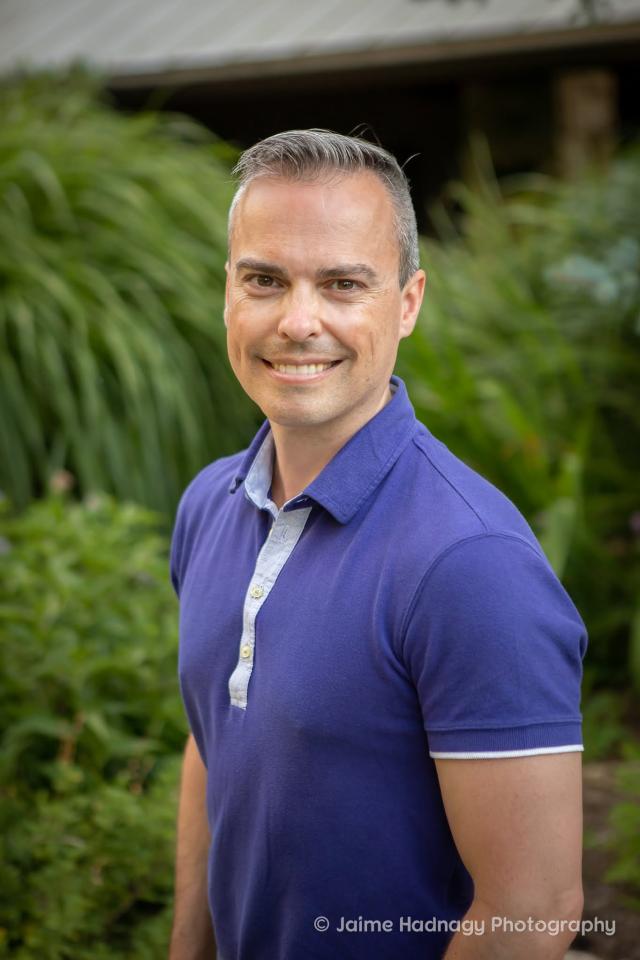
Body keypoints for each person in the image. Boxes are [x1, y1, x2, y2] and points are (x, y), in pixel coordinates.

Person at [168, 130, 586, 960]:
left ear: (407, 302)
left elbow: (533, 909)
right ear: (228, 292)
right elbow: (216, 737)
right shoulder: (210, 502)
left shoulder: (471, 564)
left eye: (342, 284)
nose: (297, 320)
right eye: (264, 279)